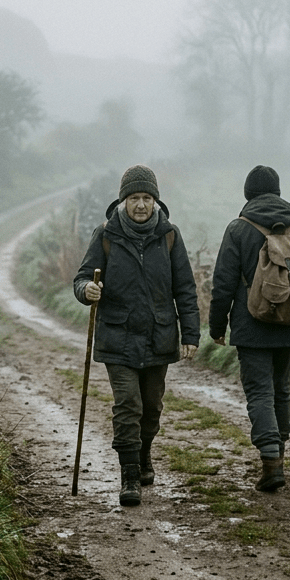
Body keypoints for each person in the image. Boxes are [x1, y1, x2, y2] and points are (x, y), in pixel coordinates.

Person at [74, 165, 200, 506]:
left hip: (159, 336)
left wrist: (191, 333)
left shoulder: (170, 235)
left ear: (155, 201)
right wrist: (88, 290)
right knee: (128, 405)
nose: (141, 205)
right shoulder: (106, 234)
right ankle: (129, 475)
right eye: (134, 198)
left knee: (151, 409)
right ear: (123, 201)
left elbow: (185, 289)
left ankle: (144, 455)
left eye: (146, 198)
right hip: (118, 338)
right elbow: (82, 277)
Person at [209, 165, 290, 492]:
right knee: (281, 390)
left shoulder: (238, 229)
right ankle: (279, 456)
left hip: (251, 327)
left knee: (260, 392)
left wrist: (217, 328)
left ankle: (271, 462)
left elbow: (222, 285)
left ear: (248, 193)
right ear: (277, 191)